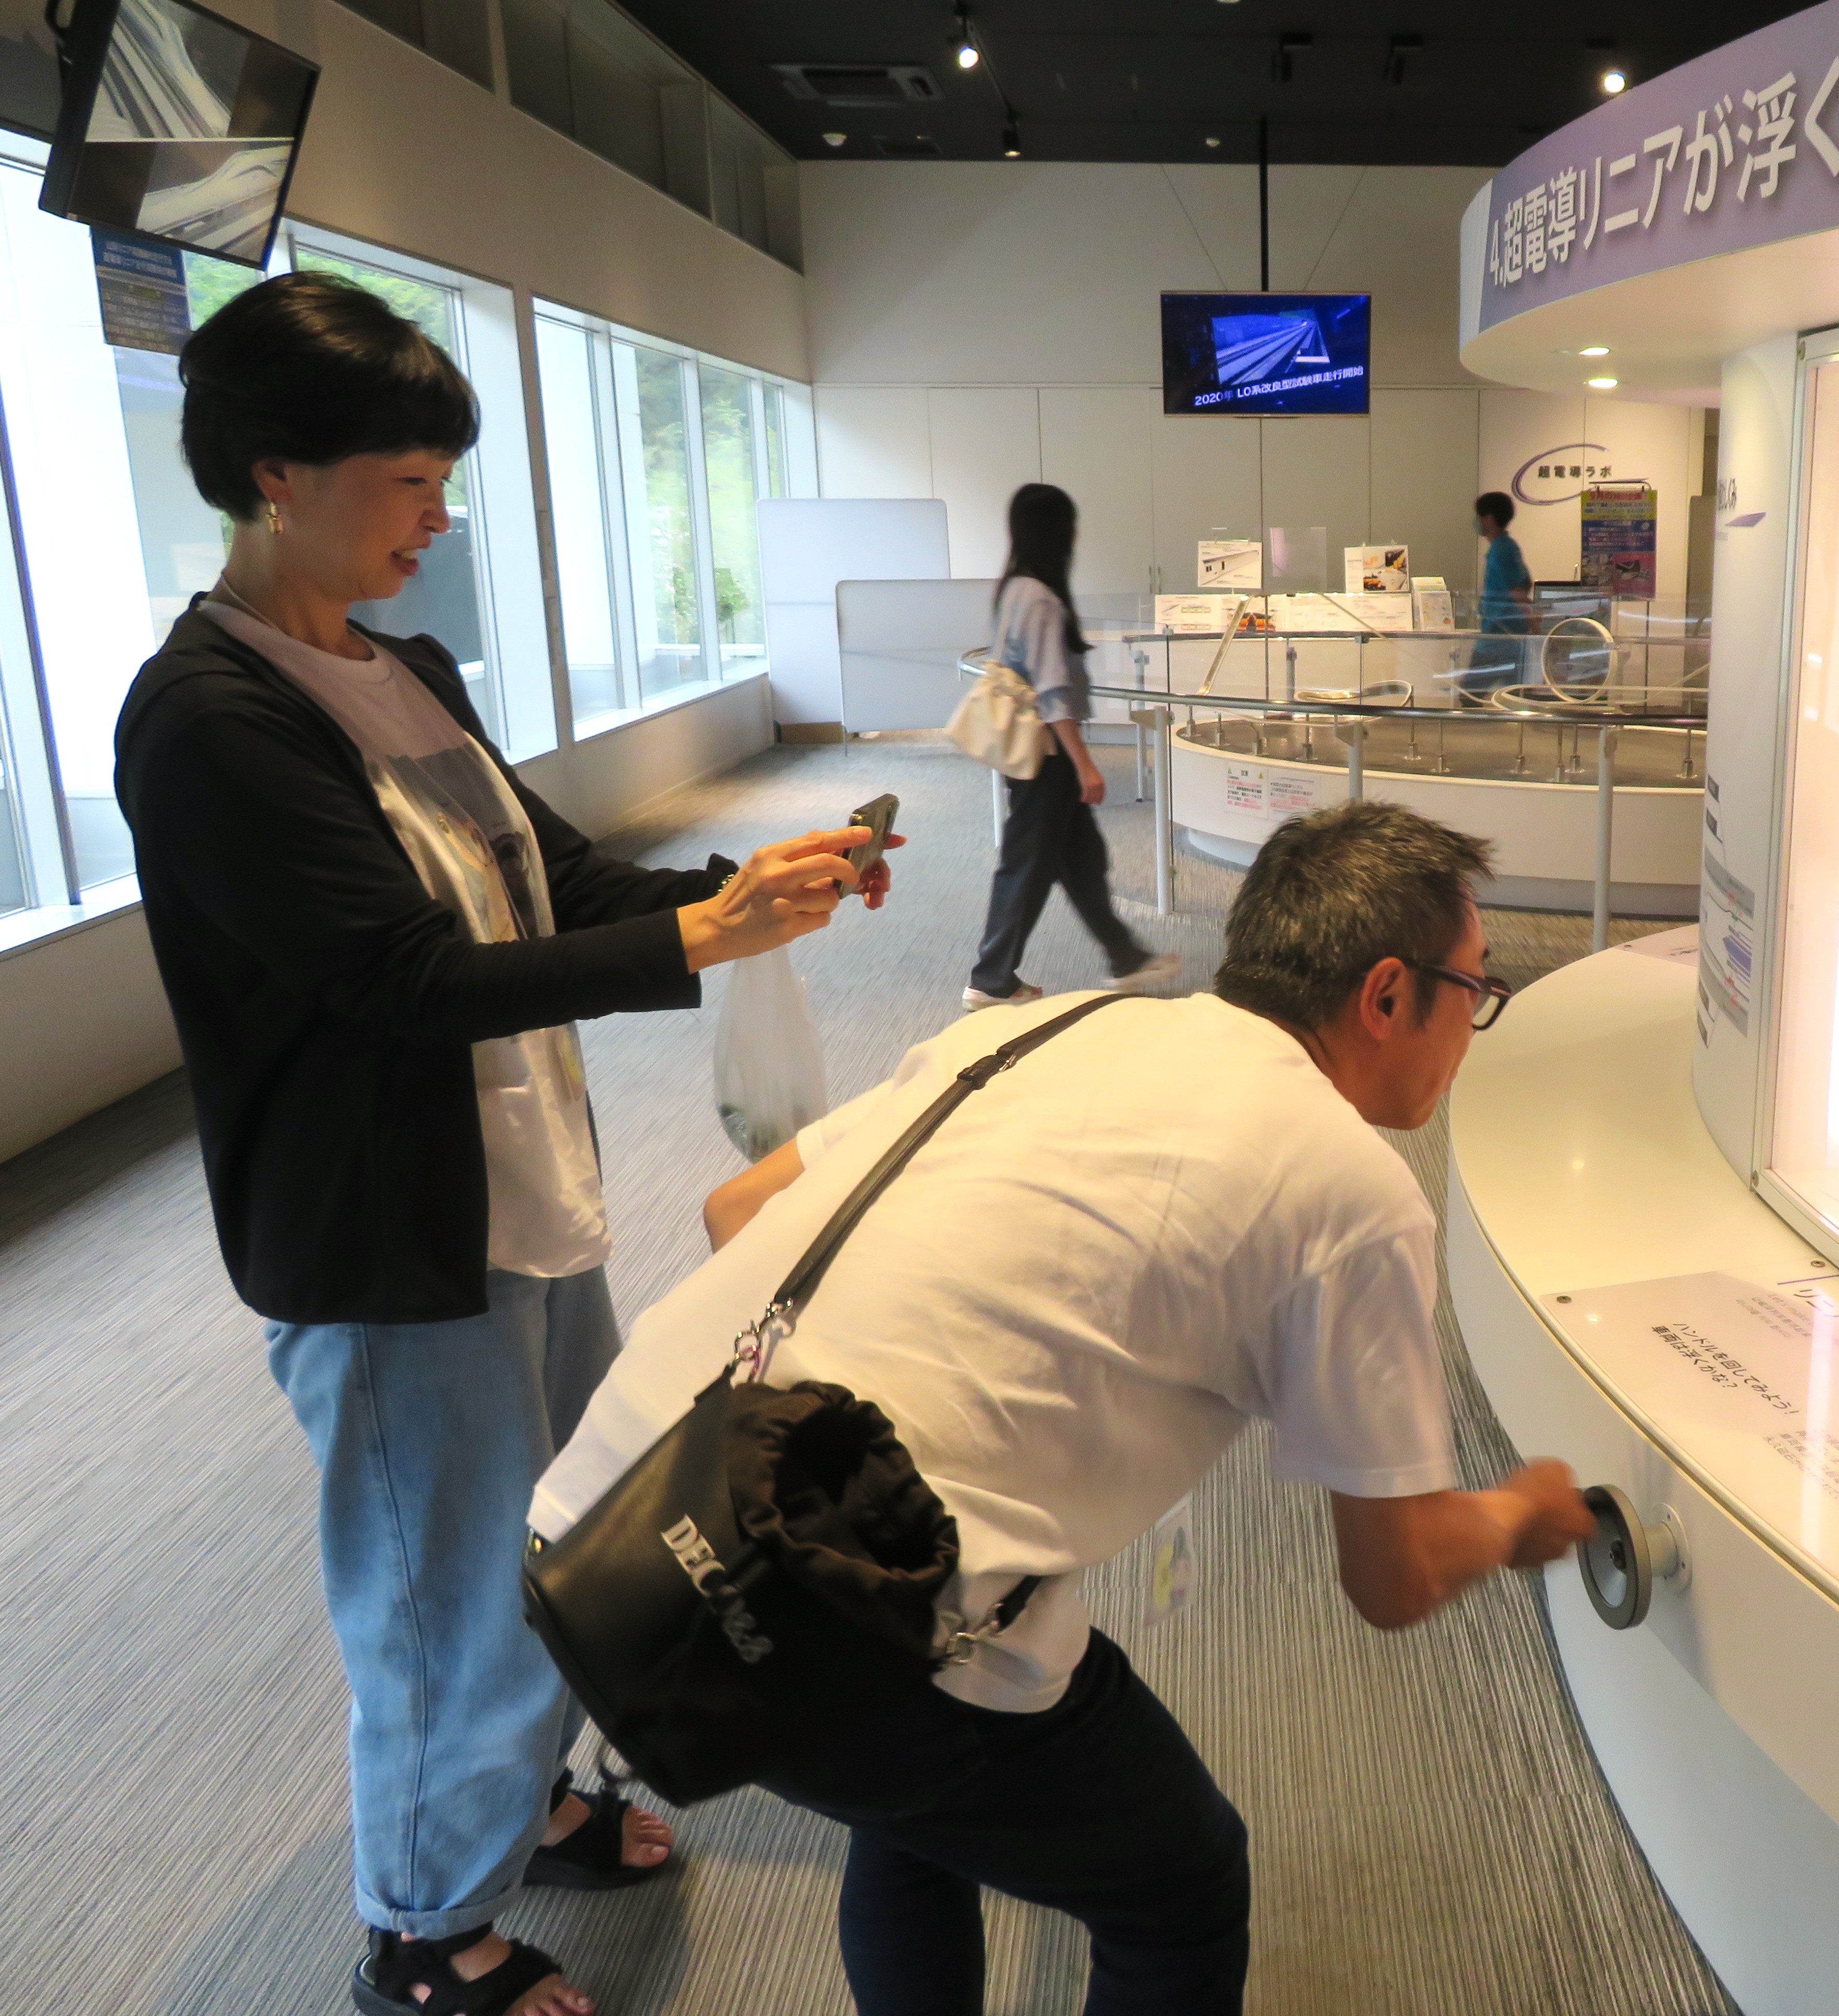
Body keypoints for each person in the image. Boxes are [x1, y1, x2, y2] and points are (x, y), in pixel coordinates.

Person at [112, 273, 889, 2016]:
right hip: (387, 1239)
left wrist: (743, 891)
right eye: (408, 481)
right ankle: (416, 1930)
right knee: (438, 1593)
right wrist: (695, 940)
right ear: (274, 476)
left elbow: (555, 878)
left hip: (523, 1195)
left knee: (557, 1532)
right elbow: (396, 978)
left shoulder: (399, 668)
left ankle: (520, 1802)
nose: (438, 517)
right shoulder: (210, 715)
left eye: (441, 480)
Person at [532, 800, 1595, 2016]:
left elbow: (736, 1209)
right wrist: (1525, 1512)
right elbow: (1393, 1578)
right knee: (1180, 1885)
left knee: (915, 1808)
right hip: (792, 1610)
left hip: (619, 1502)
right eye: (1475, 987)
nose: (1477, 1016)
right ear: (1389, 993)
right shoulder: (1355, 1194)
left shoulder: (1050, 1022)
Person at [966, 482, 1178, 1009]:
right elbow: (1053, 692)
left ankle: (1126, 958)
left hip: (1031, 750)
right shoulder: (1040, 598)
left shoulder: (1014, 589)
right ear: (1058, 532)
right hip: (1048, 754)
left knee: (1081, 859)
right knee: (1027, 864)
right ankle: (991, 978)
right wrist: (1086, 765)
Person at [1456, 488, 1533, 704]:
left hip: (1498, 636)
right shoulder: (1509, 546)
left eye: (1479, 516)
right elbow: (1526, 583)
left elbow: (1518, 592)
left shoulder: (1500, 551)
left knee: (1469, 696)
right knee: (1512, 696)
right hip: (1511, 636)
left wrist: (1534, 626)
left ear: (1488, 519)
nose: (1477, 522)